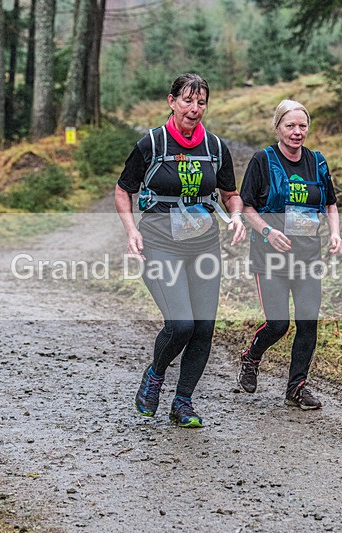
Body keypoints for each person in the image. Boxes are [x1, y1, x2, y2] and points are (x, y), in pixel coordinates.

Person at [115, 73, 246, 428]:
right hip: (159, 243)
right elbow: (123, 190)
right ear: (171, 101)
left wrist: (236, 217)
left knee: (203, 327)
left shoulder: (216, 148)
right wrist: (130, 232)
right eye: (187, 101)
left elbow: (230, 194)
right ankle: (155, 376)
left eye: (201, 102)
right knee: (181, 323)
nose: (195, 109)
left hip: (204, 246)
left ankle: (183, 402)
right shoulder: (152, 144)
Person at [237, 99, 342, 409]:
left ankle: (296, 387)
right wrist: (268, 231)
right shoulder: (262, 160)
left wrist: (335, 233)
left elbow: (330, 203)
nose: (297, 132)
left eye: (302, 126)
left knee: (308, 321)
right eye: (290, 126)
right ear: (278, 128)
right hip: (270, 257)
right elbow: (246, 208)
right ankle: (252, 356)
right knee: (279, 323)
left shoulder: (317, 162)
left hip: (308, 255)